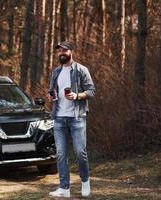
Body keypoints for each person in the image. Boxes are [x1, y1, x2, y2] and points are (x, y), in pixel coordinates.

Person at [48, 41, 95, 198]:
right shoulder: (56, 72)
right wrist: (52, 95)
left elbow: (91, 91)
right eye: (59, 50)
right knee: (60, 154)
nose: (61, 52)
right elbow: (52, 90)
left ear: (71, 52)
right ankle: (64, 188)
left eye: (64, 50)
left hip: (77, 117)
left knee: (80, 152)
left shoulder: (81, 70)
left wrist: (77, 95)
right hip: (59, 118)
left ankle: (85, 181)